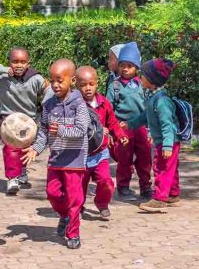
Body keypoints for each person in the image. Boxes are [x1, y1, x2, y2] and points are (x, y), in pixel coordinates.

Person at [24, 59, 89, 250]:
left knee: (74, 199)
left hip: (75, 160)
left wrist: (60, 129)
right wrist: (36, 148)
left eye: (60, 80)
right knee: (52, 193)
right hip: (56, 159)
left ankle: (73, 233)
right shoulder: (48, 104)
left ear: (72, 81)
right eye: (52, 80)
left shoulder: (79, 104)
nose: (55, 85)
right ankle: (64, 215)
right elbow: (44, 130)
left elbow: (81, 130)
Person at [0, 47, 48, 196]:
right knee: (11, 148)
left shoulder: (35, 78)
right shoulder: (2, 77)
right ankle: (12, 178)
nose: (19, 65)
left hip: (29, 121)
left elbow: (49, 90)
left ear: (28, 63)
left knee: (24, 148)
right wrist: (2, 70)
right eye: (15, 62)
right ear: (9, 63)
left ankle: (21, 172)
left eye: (23, 62)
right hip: (8, 120)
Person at [127, 58, 181, 213]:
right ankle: (173, 194)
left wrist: (167, 145)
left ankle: (160, 198)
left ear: (152, 80)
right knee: (170, 168)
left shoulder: (162, 101)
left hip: (167, 141)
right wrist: (130, 124)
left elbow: (167, 125)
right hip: (164, 141)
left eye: (143, 75)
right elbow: (146, 116)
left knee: (161, 168)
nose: (140, 77)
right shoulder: (153, 97)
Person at [77, 65, 128, 221]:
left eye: (91, 84)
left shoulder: (104, 103)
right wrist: (99, 129)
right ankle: (77, 207)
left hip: (101, 153)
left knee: (106, 181)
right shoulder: (75, 104)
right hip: (81, 154)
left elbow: (112, 122)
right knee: (79, 185)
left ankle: (102, 203)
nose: (87, 88)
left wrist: (120, 135)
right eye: (83, 85)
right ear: (76, 85)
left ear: (97, 83)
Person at [106, 41, 152, 201]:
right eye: (122, 65)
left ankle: (146, 186)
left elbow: (149, 107)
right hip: (122, 127)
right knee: (124, 158)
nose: (125, 68)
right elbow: (108, 109)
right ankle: (123, 186)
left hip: (140, 127)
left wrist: (151, 129)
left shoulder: (142, 85)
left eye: (129, 66)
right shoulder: (115, 86)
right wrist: (110, 131)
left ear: (137, 68)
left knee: (145, 157)